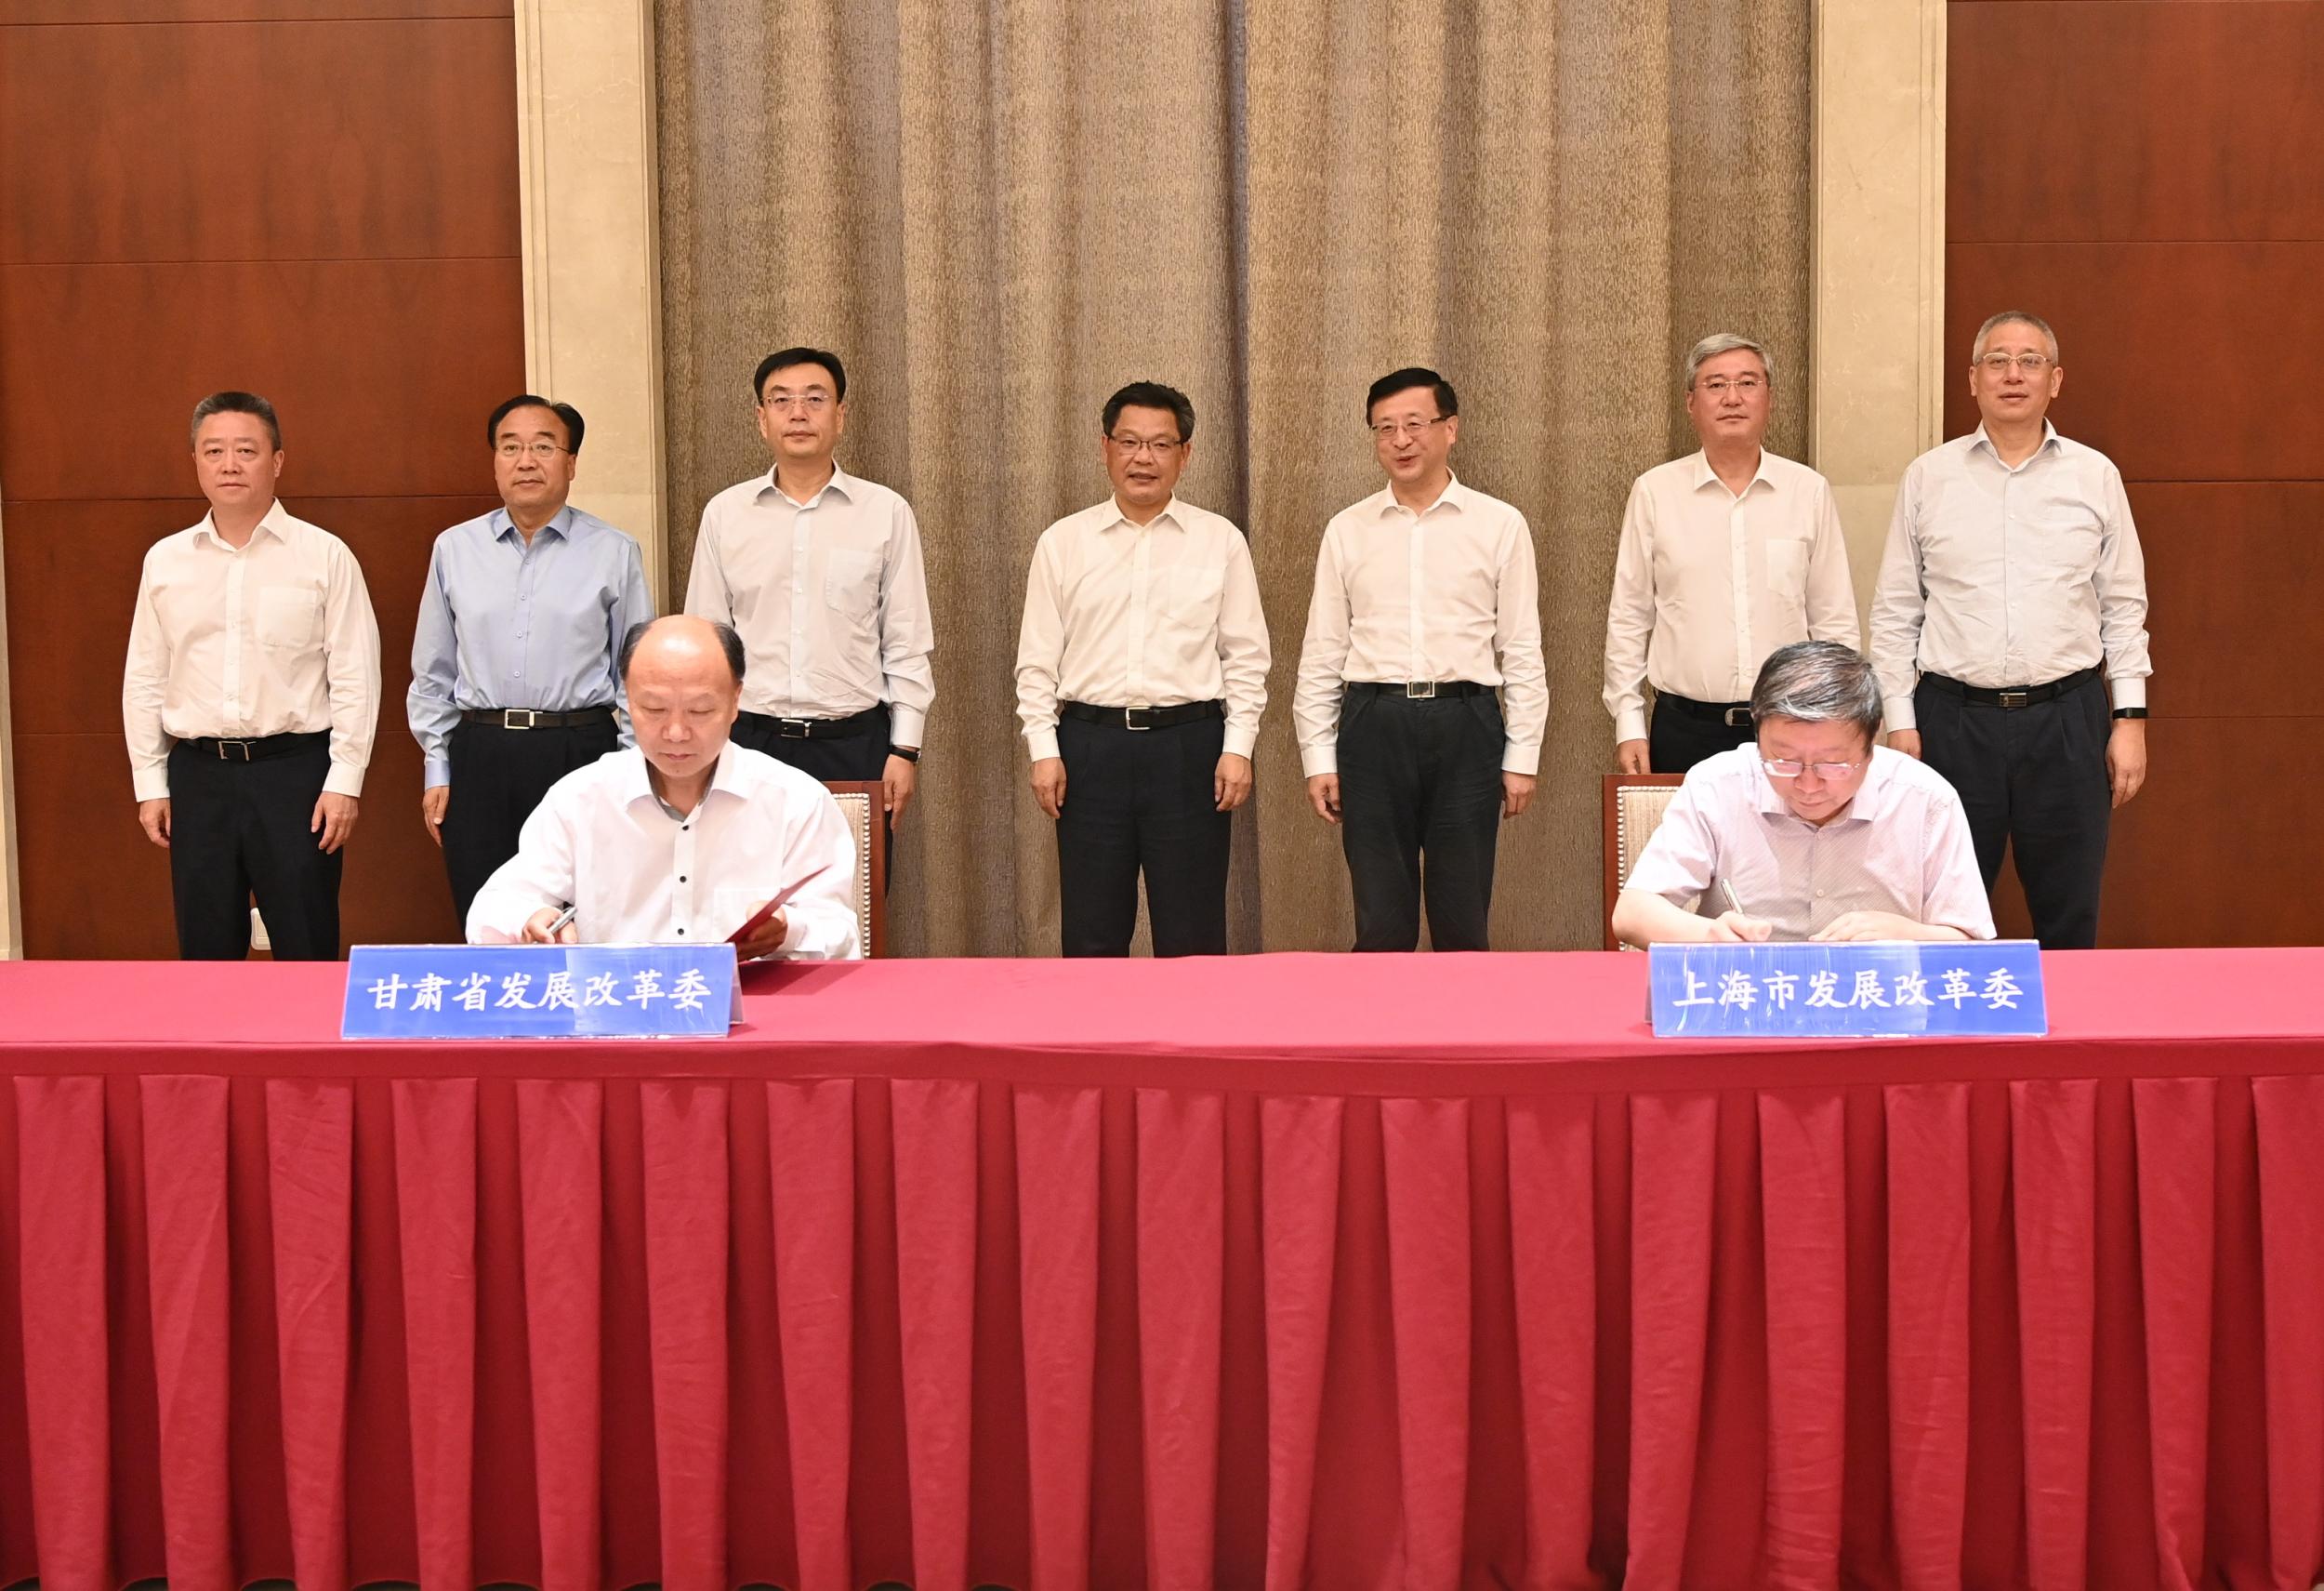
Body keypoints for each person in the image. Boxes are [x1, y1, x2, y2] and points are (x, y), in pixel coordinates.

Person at [1868, 311, 2152, 948]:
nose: (2013, 375)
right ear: (1973, 380)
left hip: (2067, 718)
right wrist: (1899, 717)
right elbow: (1895, 610)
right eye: (1997, 361)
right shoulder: (1929, 477)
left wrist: (2129, 719)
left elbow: (2123, 605)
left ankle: (2068, 1017)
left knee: (2069, 914)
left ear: (2056, 379)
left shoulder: (2094, 476)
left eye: (2030, 361)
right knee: (1941, 918)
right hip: (1951, 723)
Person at [1293, 366, 1548, 951]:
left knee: (1463, 918)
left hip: (1467, 723)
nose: (1400, 440)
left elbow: (1522, 649)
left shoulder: (1499, 524)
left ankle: (1462, 1014)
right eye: (1385, 428)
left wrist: (1523, 755)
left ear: (1450, 429)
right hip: (1371, 723)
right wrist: (1317, 755)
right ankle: (1382, 1014)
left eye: (1414, 424)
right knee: (1381, 921)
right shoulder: (1347, 529)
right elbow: (1322, 652)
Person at [123, 391, 381, 960]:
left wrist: (345, 780)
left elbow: (356, 675)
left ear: (277, 461)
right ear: (195, 461)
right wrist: (151, 783)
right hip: (198, 776)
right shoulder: (165, 560)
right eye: (214, 451)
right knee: (206, 952)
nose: (230, 465)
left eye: (246, 450)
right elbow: (145, 676)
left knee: (306, 945)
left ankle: (310, 1026)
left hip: (296, 777)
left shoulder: (324, 555)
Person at [1014, 380, 1270, 956]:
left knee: (1193, 934)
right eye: (1129, 442)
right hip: (1089, 749)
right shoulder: (1063, 542)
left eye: (1159, 444)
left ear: (1185, 454)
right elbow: (1036, 663)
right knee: (1092, 934)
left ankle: (1192, 1020)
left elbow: (1247, 656)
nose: (1143, 458)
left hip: (1190, 750)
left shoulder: (1220, 541)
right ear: (1105, 447)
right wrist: (1043, 750)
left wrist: (1238, 747)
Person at [466, 616, 860, 959]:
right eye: (654, 709)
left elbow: (841, 935)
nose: (675, 732)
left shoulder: (796, 801)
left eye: (700, 710)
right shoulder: (580, 798)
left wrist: (791, 930)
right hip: (619, 1008)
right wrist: (529, 920)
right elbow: (491, 911)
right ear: (627, 700)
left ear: (736, 701)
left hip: (751, 1011)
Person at [683, 347, 933, 865]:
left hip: (854, 745)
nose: (798, 413)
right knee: (747, 893)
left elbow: (906, 641)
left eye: (815, 399)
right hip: (750, 744)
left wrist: (904, 750)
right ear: (762, 418)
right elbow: (706, 644)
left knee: (852, 898)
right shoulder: (726, 513)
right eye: (781, 400)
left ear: (840, 415)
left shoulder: (885, 511)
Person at [408, 395, 654, 921]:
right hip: (479, 755)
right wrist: (438, 767)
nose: (526, 461)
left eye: (544, 447)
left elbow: (637, 675)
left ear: (571, 463)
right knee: (486, 916)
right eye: (510, 447)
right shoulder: (454, 548)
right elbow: (432, 674)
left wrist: (628, 773)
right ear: (495, 461)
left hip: (579, 751)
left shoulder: (614, 551)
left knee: (580, 916)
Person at [1612, 640, 1995, 946]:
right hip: (1752, 998)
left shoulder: (1925, 798)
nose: (1808, 785)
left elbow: (1971, 939)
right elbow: (1632, 913)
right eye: (1783, 760)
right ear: (1758, 731)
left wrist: (1910, 936)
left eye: (1834, 764)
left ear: (1871, 741)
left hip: (1878, 1001)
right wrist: (1710, 935)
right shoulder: (1717, 785)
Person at [1603, 332, 1857, 774]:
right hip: (1684, 727)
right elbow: (1629, 617)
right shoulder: (1655, 492)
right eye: (1716, 385)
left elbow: (1833, 620)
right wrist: (1628, 722)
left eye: (1748, 383)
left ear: (1769, 398)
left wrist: (1839, 717)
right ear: (1690, 402)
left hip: (1791, 726)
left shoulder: (1807, 491)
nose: (1732, 398)